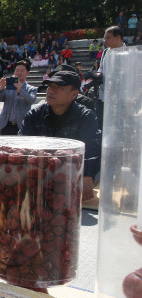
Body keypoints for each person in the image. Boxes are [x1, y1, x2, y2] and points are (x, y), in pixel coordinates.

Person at [20, 71, 101, 201]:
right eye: (50, 87)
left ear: (74, 94)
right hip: (40, 171)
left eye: (59, 88)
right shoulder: (34, 114)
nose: (51, 91)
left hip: (73, 172)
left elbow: (92, 148)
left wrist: (87, 176)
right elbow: (22, 146)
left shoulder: (86, 116)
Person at [0, 60, 37, 135]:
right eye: (17, 71)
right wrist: (1, 88)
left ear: (27, 73)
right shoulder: (8, 87)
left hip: (22, 125)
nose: (19, 73)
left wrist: (20, 90)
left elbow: (31, 100)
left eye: (22, 71)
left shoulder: (31, 89)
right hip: (6, 125)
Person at [96, 25, 125, 129]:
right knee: (101, 124)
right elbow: (101, 68)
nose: (105, 40)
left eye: (108, 38)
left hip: (120, 98)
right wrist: (98, 74)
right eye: (105, 38)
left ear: (118, 38)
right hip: (103, 95)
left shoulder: (128, 53)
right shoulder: (105, 52)